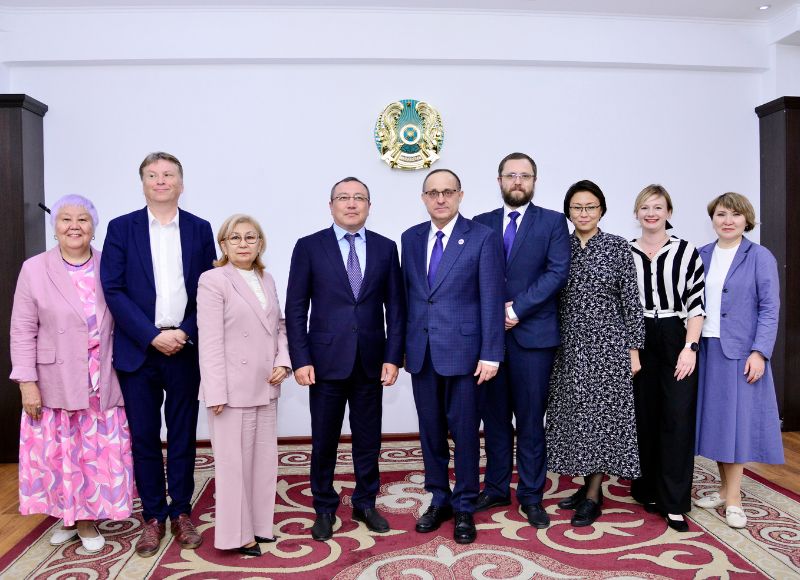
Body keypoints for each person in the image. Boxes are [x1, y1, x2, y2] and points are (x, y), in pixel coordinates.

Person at [100, 152, 216, 557]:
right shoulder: (121, 228)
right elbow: (113, 289)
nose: (161, 180)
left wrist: (185, 331)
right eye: (153, 175)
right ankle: (152, 516)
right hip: (138, 351)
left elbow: (208, 289)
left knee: (183, 435)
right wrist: (151, 336)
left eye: (168, 174)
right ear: (143, 183)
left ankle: (181, 511)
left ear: (181, 183)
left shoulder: (200, 229)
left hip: (184, 347)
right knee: (144, 437)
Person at [10, 195, 134, 553]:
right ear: (55, 227)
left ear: (94, 227)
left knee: (95, 452)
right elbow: (22, 329)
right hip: (56, 378)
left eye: (83, 219)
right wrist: (27, 383)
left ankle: (85, 518)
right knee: (61, 452)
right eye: (66, 219)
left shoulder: (110, 264)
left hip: (103, 376)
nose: (74, 226)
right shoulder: (34, 268)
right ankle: (71, 516)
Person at [285, 177, 405, 542]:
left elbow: (396, 308)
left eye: (359, 198)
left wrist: (393, 356)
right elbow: (295, 308)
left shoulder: (386, 248)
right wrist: (300, 358)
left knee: (368, 439)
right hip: (324, 362)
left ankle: (365, 502)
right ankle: (324, 506)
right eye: (343, 198)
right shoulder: (309, 246)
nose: (351, 204)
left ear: (369, 205)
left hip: (371, 360)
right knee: (325, 440)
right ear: (331, 205)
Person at [401, 168, 504, 545]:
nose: (440, 199)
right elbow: (409, 297)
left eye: (448, 192)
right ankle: (439, 498)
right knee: (430, 433)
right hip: (422, 354)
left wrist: (491, 352)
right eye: (433, 193)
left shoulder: (482, 237)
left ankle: (463, 505)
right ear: (423, 198)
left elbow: (491, 297)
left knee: (464, 434)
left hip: (466, 355)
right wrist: (402, 349)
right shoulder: (410, 238)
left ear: (460, 195)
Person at [472, 152, 570, 528]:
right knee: (495, 419)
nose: (517, 181)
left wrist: (516, 310)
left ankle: (530, 495)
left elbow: (557, 272)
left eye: (524, 176)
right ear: (499, 181)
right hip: (490, 340)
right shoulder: (480, 223)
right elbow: (471, 275)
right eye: (510, 175)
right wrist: (494, 314)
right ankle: (496, 487)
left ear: (534, 181)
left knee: (530, 420)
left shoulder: (552, 222)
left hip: (533, 338)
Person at [546, 180, 645, 528]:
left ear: (601, 209)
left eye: (590, 206)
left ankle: (592, 496)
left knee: (602, 420)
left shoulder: (617, 247)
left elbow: (631, 302)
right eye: (577, 207)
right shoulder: (559, 247)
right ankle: (586, 486)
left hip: (608, 346)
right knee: (576, 419)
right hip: (567, 346)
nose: (584, 213)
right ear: (568, 212)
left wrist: (633, 350)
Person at [197, 214, 291, 556]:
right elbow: (209, 340)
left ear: (260, 243)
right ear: (223, 245)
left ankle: (259, 526)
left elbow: (280, 326)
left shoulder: (267, 278)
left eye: (250, 237)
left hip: (266, 384)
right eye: (234, 238)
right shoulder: (213, 280)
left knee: (263, 462)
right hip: (230, 390)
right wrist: (215, 392)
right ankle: (237, 535)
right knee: (233, 466)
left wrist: (283, 361)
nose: (242, 244)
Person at [694, 192, 784, 528]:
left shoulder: (759, 257)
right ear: (713, 219)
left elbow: (769, 308)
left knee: (737, 426)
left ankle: (734, 499)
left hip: (741, 353)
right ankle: (723, 490)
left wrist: (760, 352)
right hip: (706, 349)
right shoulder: (701, 254)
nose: (728, 220)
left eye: (735, 214)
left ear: (747, 220)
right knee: (718, 424)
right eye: (721, 214)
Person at [628, 184, 705, 532]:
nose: (651, 213)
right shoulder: (626, 252)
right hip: (639, 334)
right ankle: (647, 489)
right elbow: (623, 306)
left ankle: (674, 502)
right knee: (644, 416)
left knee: (677, 416)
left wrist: (690, 348)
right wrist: (631, 351)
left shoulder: (686, 252)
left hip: (676, 333)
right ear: (637, 213)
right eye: (645, 207)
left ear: (669, 213)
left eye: (658, 207)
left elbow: (696, 304)